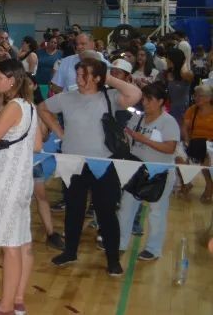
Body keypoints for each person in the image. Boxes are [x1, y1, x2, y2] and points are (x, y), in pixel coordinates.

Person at [38, 57, 141, 274]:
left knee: (106, 212)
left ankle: (112, 259)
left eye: (83, 74)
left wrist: (108, 78)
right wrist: (59, 132)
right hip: (73, 163)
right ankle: (70, 252)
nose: (78, 78)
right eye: (78, 73)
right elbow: (42, 108)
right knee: (73, 210)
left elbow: (135, 94)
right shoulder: (67, 97)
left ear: (97, 78)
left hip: (103, 163)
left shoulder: (110, 96)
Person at [0, 60, 39, 315]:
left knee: (10, 246)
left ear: (12, 80)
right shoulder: (30, 106)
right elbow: (37, 145)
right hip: (22, 180)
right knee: (21, 242)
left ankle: (4, 308)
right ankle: (16, 299)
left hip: (8, 182)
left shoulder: (14, 106)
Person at [116, 81, 179, 261]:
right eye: (143, 99)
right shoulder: (137, 118)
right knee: (126, 208)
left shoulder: (168, 121)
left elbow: (170, 148)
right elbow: (128, 139)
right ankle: (120, 243)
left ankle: (153, 248)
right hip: (136, 169)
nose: (144, 103)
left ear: (160, 101)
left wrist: (143, 139)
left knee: (156, 212)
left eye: (149, 99)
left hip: (160, 172)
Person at [182, 83, 213, 204]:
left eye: (201, 96)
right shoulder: (192, 110)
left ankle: (209, 185)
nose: (197, 98)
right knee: (180, 156)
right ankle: (187, 182)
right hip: (195, 141)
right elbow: (185, 128)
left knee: (207, 155)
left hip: (211, 143)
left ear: (209, 98)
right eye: (196, 95)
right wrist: (187, 140)